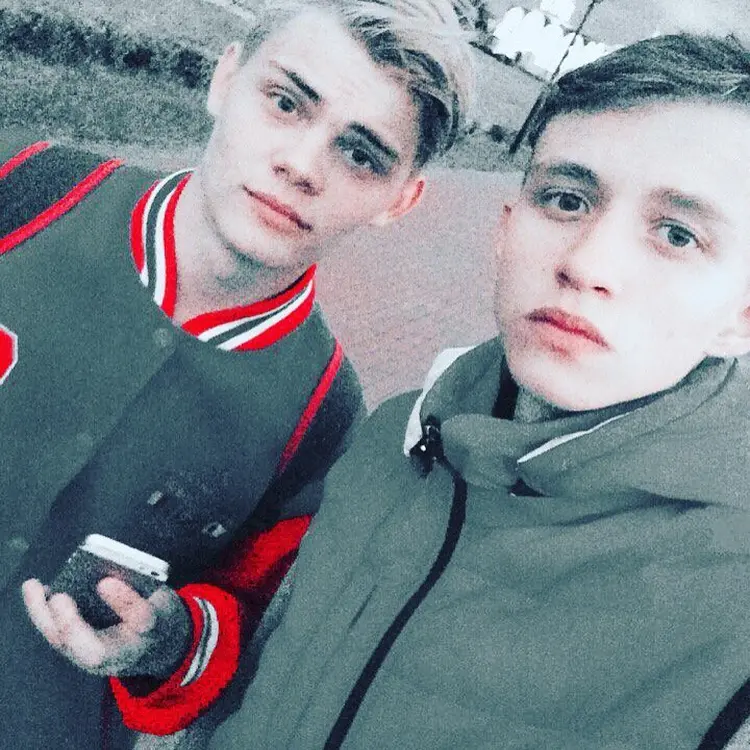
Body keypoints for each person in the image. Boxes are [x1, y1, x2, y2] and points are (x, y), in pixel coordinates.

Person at [200, 32, 750, 750]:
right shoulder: (392, 438)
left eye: (678, 236)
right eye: (566, 199)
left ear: (742, 316)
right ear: (506, 229)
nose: (588, 264)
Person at [0, 0, 476, 748]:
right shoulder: (23, 187)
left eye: (361, 155)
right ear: (225, 78)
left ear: (400, 200)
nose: (302, 166)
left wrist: (166, 639)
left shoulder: (325, 416)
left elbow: (249, 619)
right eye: (285, 102)